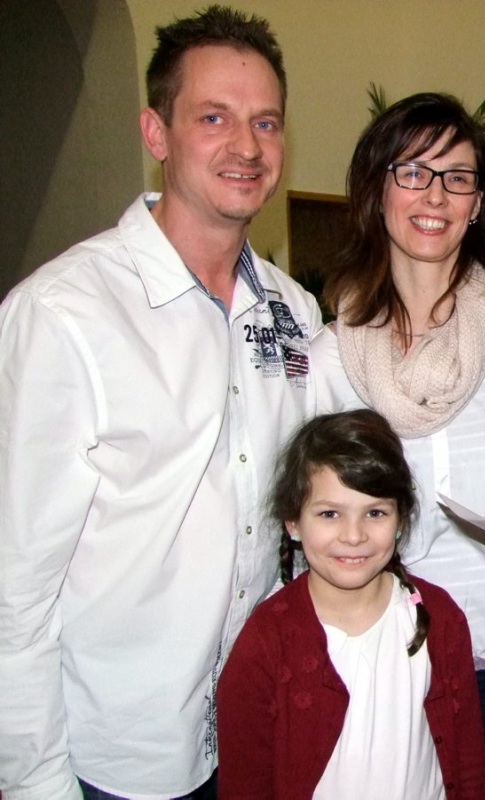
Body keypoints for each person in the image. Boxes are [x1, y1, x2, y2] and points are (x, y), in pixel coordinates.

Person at [0, 7, 322, 799]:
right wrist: (36, 781)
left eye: (266, 122)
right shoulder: (65, 314)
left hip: (257, 727)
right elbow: (15, 587)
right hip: (117, 755)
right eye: (213, 117)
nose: (245, 146)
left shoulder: (293, 313)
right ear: (156, 133)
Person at [313, 92, 485, 799]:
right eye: (412, 171)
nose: (435, 194)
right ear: (377, 192)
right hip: (375, 660)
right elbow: (308, 529)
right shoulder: (328, 356)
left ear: (478, 204)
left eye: (457, 176)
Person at [217, 410, 485, 799]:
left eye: (375, 512)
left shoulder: (440, 618)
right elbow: (244, 785)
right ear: (293, 522)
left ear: (401, 519)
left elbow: (470, 760)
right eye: (330, 514)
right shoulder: (264, 642)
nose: (354, 535)